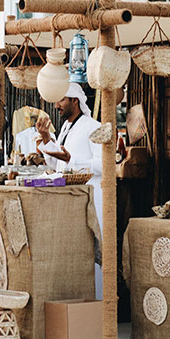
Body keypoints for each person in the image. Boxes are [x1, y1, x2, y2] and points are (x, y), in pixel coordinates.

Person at [36, 82, 104, 298]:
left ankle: (100, 304)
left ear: (75, 100)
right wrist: (47, 139)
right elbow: (58, 166)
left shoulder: (93, 127)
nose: (57, 105)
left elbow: (104, 164)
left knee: (93, 253)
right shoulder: (66, 127)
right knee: (77, 253)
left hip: (94, 199)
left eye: (61, 100)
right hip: (72, 202)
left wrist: (71, 160)